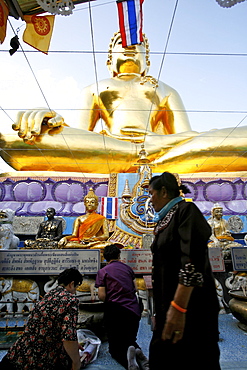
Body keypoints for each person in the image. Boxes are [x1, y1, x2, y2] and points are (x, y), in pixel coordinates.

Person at [1, 32, 247, 174]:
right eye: (122, 44)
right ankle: (143, 157)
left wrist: (157, 143)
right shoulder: (95, 88)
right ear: (110, 60)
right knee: (14, 139)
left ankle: (143, 156)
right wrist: (52, 122)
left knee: (232, 139)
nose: (129, 47)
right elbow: (81, 135)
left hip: (162, 145)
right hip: (109, 147)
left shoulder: (165, 90)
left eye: (136, 45)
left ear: (146, 60)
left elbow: (188, 138)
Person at [148, 172, 221, 370]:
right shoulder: (165, 219)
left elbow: (192, 261)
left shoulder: (186, 211)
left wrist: (178, 308)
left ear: (164, 192)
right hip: (169, 307)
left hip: (190, 307)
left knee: (194, 358)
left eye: (151, 193)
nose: (150, 199)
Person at [0, 267, 83, 370]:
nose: (75, 292)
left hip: (18, 353)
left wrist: (74, 346)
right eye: (76, 287)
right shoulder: (70, 300)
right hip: (39, 359)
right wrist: (76, 362)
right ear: (71, 284)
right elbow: (68, 338)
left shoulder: (48, 295)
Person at [95, 244, 149, 370]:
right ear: (119, 255)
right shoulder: (128, 269)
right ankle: (140, 356)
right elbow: (135, 288)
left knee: (115, 345)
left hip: (115, 310)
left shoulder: (103, 272)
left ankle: (129, 363)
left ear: (104, 257)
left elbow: (102, 296)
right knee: (130, 339)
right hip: (133, 309)